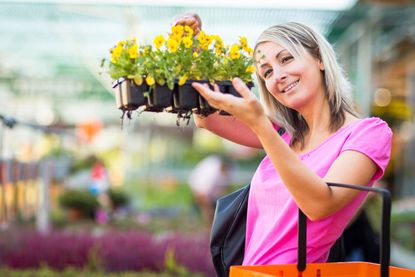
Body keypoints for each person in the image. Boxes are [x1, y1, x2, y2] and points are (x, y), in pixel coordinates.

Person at [174, 14, 392, 266]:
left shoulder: (368, 133)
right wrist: (192, 51)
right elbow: (207, 118)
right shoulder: (285, 132)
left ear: (320, 59)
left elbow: (319, 205)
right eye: (266, 72)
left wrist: (260, 126)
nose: (277, 76)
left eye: (286, 59)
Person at [188, 155, 232, 227]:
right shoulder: (211, 173)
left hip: (210, 192)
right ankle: (208, 227)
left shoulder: (226, 169)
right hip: (201, 188)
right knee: (207, 211)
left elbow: (228, 187)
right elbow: (202, 194)